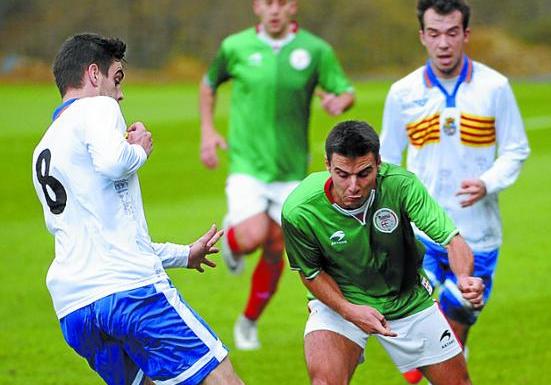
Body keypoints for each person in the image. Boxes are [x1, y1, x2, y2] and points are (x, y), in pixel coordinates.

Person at [32, 33, 244, 385]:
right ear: (93, 74)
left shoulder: (45, 147)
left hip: (76, 310)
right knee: (222, 379)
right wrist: (141, 148)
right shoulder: (97, 107)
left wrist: (183, 254)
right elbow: (115, 163)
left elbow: (110, 241)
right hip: (130, 295)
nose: (120, 93)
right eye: (117, 79)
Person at [379, 0, 530, 382]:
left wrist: (487, 182)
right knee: (427, 331)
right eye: (434, 33)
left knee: (451, 331)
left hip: (478, 234)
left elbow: (516, 149)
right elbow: (388, 159)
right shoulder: (403, 93)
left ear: (466, 34)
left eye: (451, 33)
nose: (443, 43)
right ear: (422, 37)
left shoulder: (495, 87)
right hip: (421, 235)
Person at [199, 0, 355, 350]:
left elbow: (345, 91)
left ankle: (248, 322)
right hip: (247, 165)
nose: (274, 10)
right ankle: (235, 244)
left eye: (281, 3)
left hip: (291, 171)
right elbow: (208, 84)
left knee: (278, 246)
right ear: (257, 7)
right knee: (255, 235)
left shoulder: (315, 50)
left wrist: (339, 103)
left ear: (293, 7)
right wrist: (208, 132)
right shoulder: (234, 46)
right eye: (268, 2)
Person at [281, 120, 485, 385]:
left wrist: (464, 278)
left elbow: (451, 239)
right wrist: (348, 310)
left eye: (364, 173)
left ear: (378, 163)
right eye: (342, 174)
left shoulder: (401, 185)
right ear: (327, 165)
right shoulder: (300, 210)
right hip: (342, 299)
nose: (353, 186)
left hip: (406, 297)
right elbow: (311, 272)